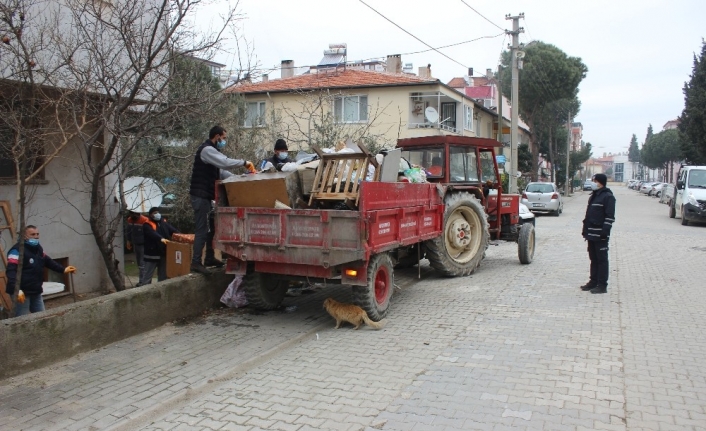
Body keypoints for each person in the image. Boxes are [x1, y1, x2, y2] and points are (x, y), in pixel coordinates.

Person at [189, 126, 254, 275]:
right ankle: (196, 262)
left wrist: (239, 178)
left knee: (211, 228)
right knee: (202, 230)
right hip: (200, 196)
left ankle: (210, 258)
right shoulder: (207, 150)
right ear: (217, 136)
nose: (224, 141)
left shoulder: (212, 152)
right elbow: (224, 162)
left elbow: (222, 171)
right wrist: (244, 162)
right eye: (223, 138)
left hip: (205, 196)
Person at [5, 225, 77, 317]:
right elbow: (11, 271)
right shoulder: (16, 251)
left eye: (37, 234)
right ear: (24, 236)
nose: (36, 236)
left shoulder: (37, 248)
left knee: (43, 317)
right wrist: (16, 290)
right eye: (32, 234)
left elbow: (47, 261)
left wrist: (63, 269)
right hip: (22, 293)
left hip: (36, 290)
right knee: (22, 321)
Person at [580, 173, 616, 294]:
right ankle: (593, 281)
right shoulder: (594, 195)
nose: (593, 182)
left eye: (594, 181)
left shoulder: (608, 197)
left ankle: (602, 285)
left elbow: (610, 217)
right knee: (593, 259)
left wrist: (604, 232)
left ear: (600, 182)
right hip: (591, 234)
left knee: (602, 260)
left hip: (600, 234)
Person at [141, 207, 179, 285]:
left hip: (163, 253)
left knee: (163, 276)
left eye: (158, 212)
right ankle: (144, 289)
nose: (157, 214)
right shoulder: (147, 224)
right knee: (147, 275)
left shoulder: (163, 222)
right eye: (154, 213)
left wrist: (181, 236)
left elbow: (173, 230)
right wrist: (161, 239)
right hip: (151, 254)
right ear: (150, 215)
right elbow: (152, 233)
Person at [126, 210, 149, 286]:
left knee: (142, 263)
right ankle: (143, 280)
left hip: (144, 244)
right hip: (136, 243)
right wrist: (128, 241)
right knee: (139, 263)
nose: (134, 216)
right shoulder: (130, 219)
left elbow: (148, 233)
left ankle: (142, 281)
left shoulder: (144, 220)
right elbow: (128, 231)